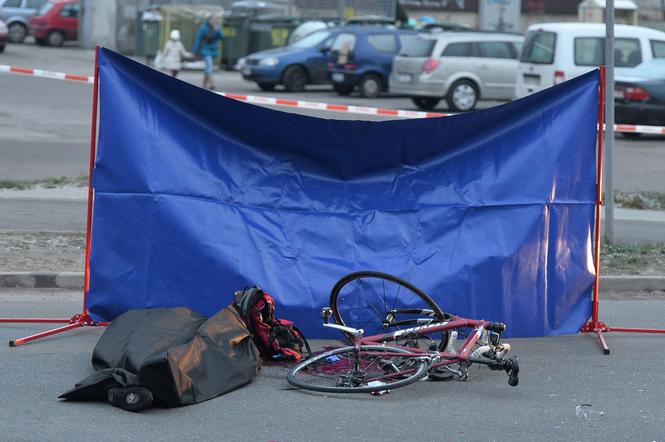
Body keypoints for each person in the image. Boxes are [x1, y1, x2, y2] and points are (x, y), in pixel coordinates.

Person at [193, 15, 224, 90]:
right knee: (209, 66)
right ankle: (212, 83)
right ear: (209, 20)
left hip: (213, 51)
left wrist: (218, 30)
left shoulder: (217, 27)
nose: (214, 21)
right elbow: (198, 39)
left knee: (208, 68)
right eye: (212, 19)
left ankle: (203, 85)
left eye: (215, 19)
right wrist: (194, 51)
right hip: (205, 50)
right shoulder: (203, 28)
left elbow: (222, 37)